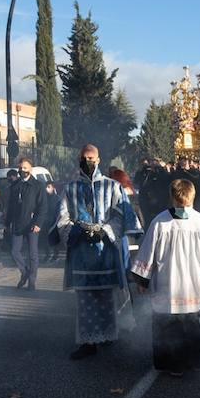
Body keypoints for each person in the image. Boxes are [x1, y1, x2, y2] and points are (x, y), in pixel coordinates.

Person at [130, 178, 200, 376]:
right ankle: (187, 362)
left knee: (174, 326)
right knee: (184, 326)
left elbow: (148, 252)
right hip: (185, 284)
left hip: (171, 284)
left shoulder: (162, 221)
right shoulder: (196, 222)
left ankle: (178, 364)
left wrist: (143, 279)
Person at [56, 144, 139, 359]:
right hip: (82, 255)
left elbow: (122, 215)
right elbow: (62, 218)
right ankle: (88, 342)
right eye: (84, 158)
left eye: (91, 158)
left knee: (107, 297)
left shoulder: (113, 187)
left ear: (99, 159)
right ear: (79, 160)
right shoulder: (70, 188)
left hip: (106, 254)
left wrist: (105, 231)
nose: (88, 162)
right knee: (85, 300)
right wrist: (77, 231)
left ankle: (109, 335)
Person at [6, 157, 49, 290]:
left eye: (25, 167)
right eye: (20, 168)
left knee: (32, 254)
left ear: (30, 168)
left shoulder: (38, 186)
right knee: (14, 252)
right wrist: (7, 223)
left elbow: (43, 207)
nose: (22, 170)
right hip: (17, 224)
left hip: (32, 225)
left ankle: (32, 281)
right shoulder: (15, 185)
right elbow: (11, 206)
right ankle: (25, 273)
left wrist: (38, 223)